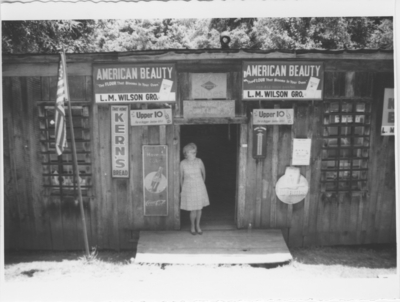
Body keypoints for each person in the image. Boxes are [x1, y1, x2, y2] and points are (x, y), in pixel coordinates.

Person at [180, 143, 209, 235]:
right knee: (192, 209)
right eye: (192, 152)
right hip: (188, 188)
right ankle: (192, 226)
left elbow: (204, 174)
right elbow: (181, 177)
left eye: (195, 152)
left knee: (199, 208)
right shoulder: (182, 163)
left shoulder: (199, 161)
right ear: (186, 153)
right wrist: (182, 189)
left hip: (199, 187)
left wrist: (201, 184)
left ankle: (198, 226)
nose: (194, 153)